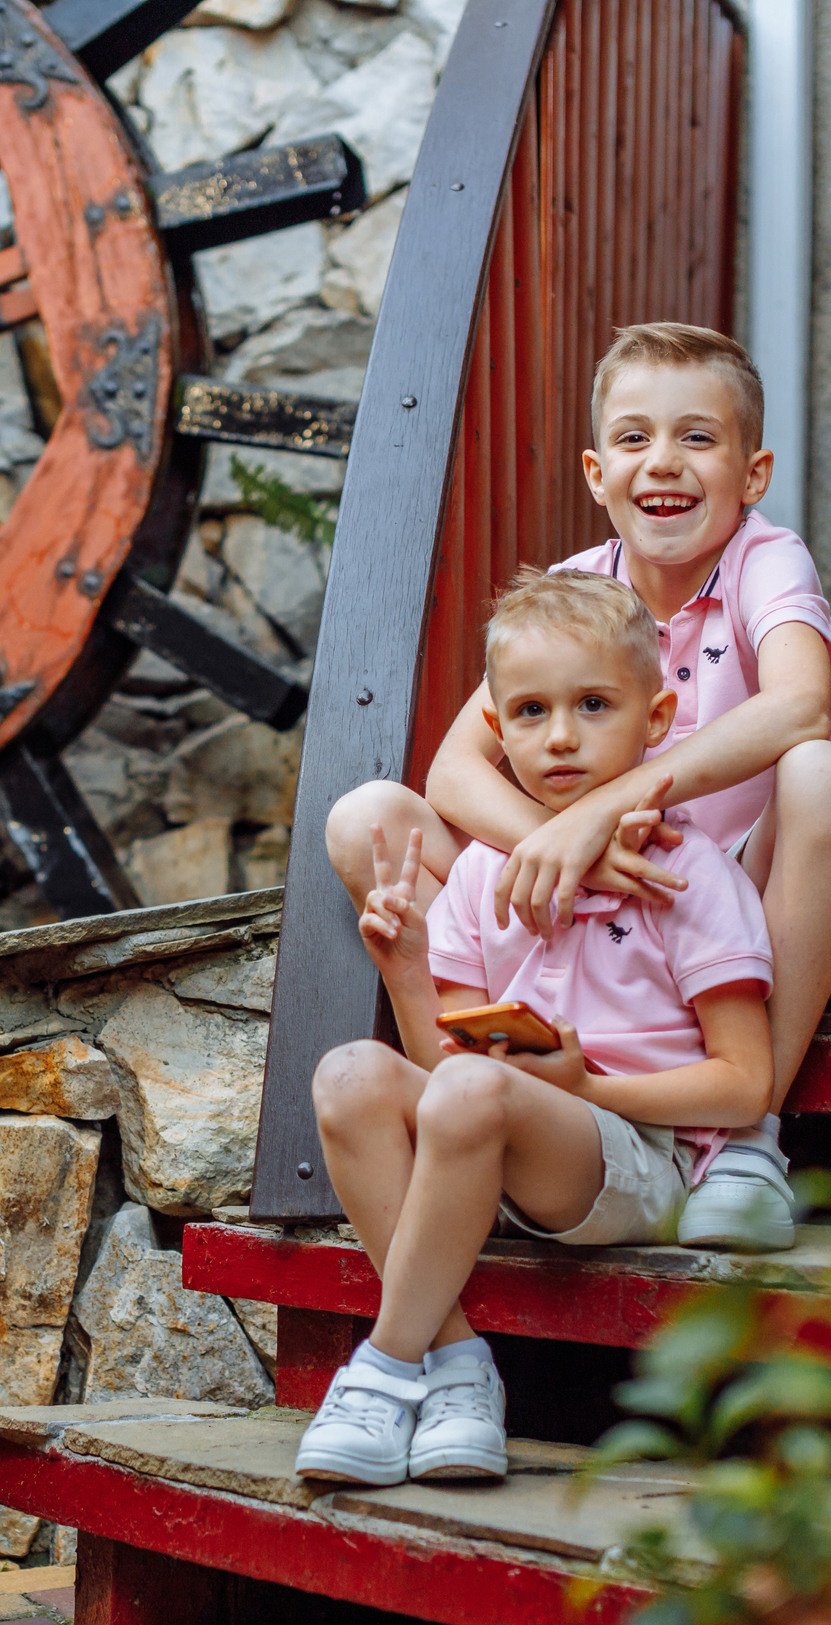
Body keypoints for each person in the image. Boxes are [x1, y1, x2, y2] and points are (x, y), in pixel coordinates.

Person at [324, 322, 831, 1256]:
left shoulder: (762, 559)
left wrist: (599, 815)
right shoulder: (577, 586)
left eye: (697, 437)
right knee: (366, 816)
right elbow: (455, 768)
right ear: (593, 470)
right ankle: (520, 1059)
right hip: (577, 900)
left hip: (721, 886)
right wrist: (563, 834)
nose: (663, 462)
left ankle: (743, 1134)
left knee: (829, 774)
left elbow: (800, 709)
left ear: (753, 472)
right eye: (633, 438)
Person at [293, 569, 774, 1486]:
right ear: (500, 732)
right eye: (528, 712)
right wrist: (404, 968)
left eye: (593, 705)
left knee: (475, 1090)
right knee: (351, 1074)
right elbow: (449, 1069)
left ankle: (386, 1366)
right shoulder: (480, 874)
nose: (559, 736)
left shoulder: (690, 873)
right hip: (499, 1143)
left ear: (656, 716)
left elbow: (746, 1081)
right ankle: (460, 1365)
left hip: (638, 1155)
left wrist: (586, 1088)